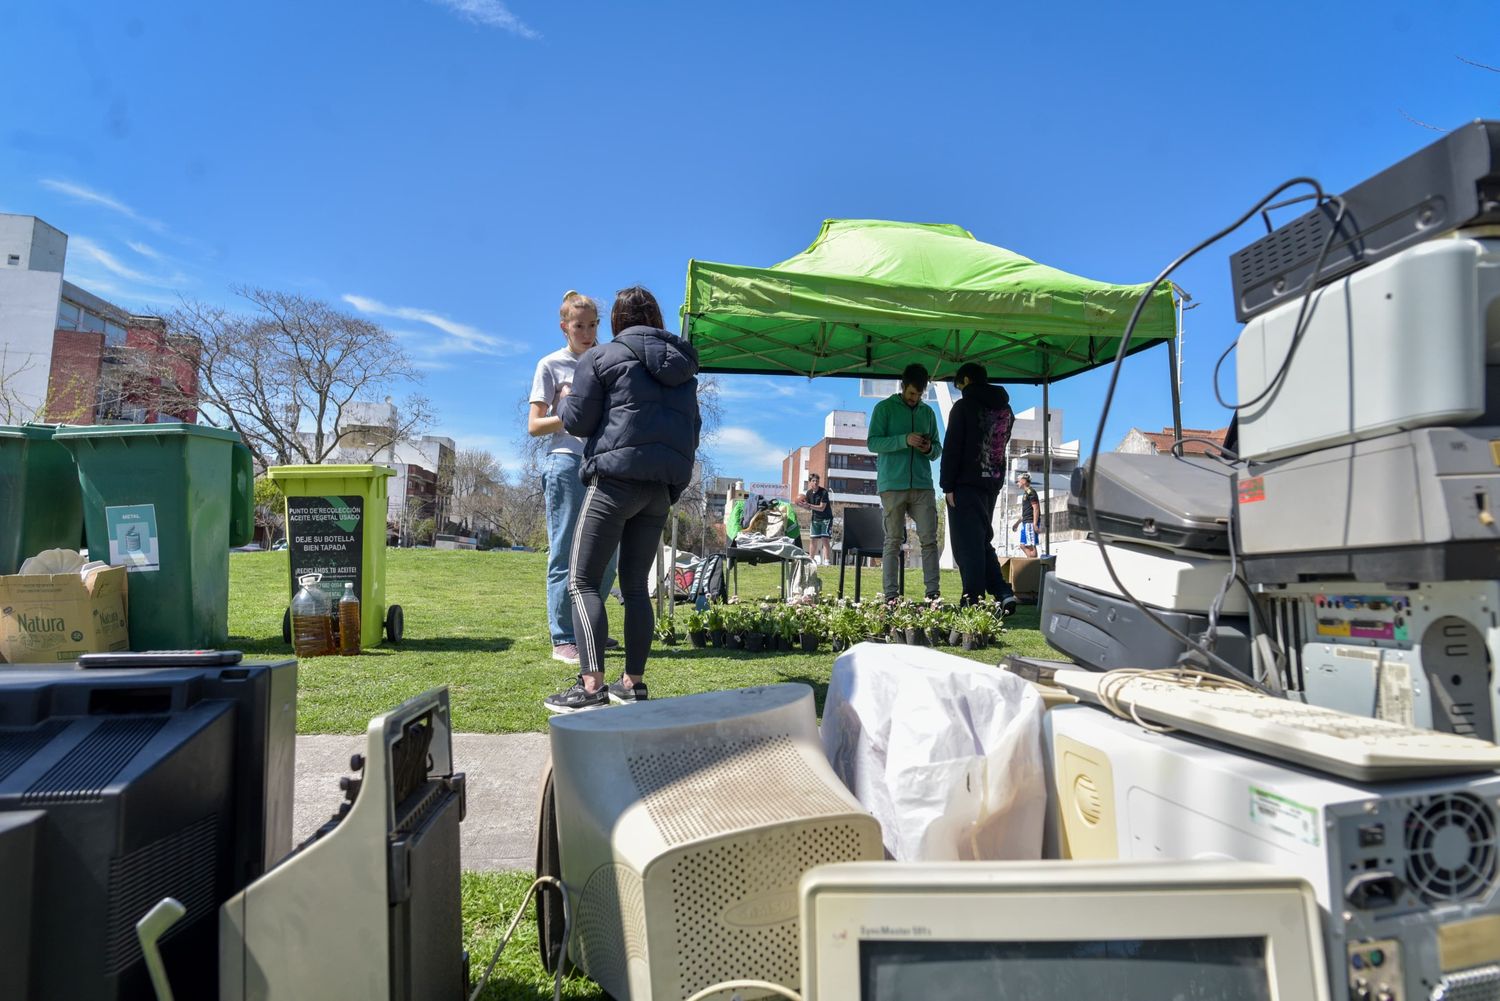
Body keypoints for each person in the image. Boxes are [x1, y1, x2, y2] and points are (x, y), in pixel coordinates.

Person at [546, 285, 701, 713]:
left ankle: (591, 684)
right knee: (635, 587)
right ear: (657, 317)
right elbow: (692, 431)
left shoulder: (601, 357)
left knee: (581, 581)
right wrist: (671, 488)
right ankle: (632, 682)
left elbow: (577, 421)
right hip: (658, 492)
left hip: (613, 483)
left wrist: (567, 398)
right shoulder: (684, 368)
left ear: (616, 321)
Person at [528, 291, 618, 666]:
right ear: (564, 326)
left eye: (593, 325)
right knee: (564, 551)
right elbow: (535, 426)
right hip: (565, 463)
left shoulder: (609, 361)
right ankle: (564, 637)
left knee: (609, 553)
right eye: (578, 325)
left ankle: (589, 628)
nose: (586, 331)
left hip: (604, 465)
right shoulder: (550, 364)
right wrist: (574, 413)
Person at [939, 362, 1019, 615]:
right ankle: (1002, 591)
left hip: (965, 483)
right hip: (991, 482)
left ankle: (972, 598)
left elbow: (953, 447)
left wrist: (947, 485)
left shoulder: (963, 407)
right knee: (982, 539)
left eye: (960, 384)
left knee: (967, 543)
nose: (959, 389)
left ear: (966, 380)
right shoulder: (1006, 410)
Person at [868, 363, 942, 601]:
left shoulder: (928, 413)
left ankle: (933, 594)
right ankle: (891, 595)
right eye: (912, 393)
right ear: (902, 386)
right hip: (892, 485)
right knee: (893, 541)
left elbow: (937, 450)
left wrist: (928, 447)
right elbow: (873, 443)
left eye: (920, 394)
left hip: (923, 485)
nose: (915, 398)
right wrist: (904, 440)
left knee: (929, 540)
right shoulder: (884, 409)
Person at [796, 473, 832, 565]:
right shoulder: (808, 493)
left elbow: (822, 507)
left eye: (817, 480)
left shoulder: (824, 492)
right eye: (813, 480)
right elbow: (809, 508)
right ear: (810, 482)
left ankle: (827, 561)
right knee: (813, 540)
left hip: (826, 519)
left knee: (825, 539)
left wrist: (809, 505)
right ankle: (811, 560)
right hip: (815, 518)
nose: (815, 482)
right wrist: (802, 505)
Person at [1013, 472, 1041, 558]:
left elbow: (1036, 508)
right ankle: (1031, 564)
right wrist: (1017, 523)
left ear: (1024, 481)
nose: (1017, 483)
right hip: (1025, 522)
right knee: (1022, 545)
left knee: (1031, 547)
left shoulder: (1031, 492)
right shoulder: (1026, 493)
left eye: (1018, 481)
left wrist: (1035, 524)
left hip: (1030, 522)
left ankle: (1033, 567)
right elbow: (1026, 512)